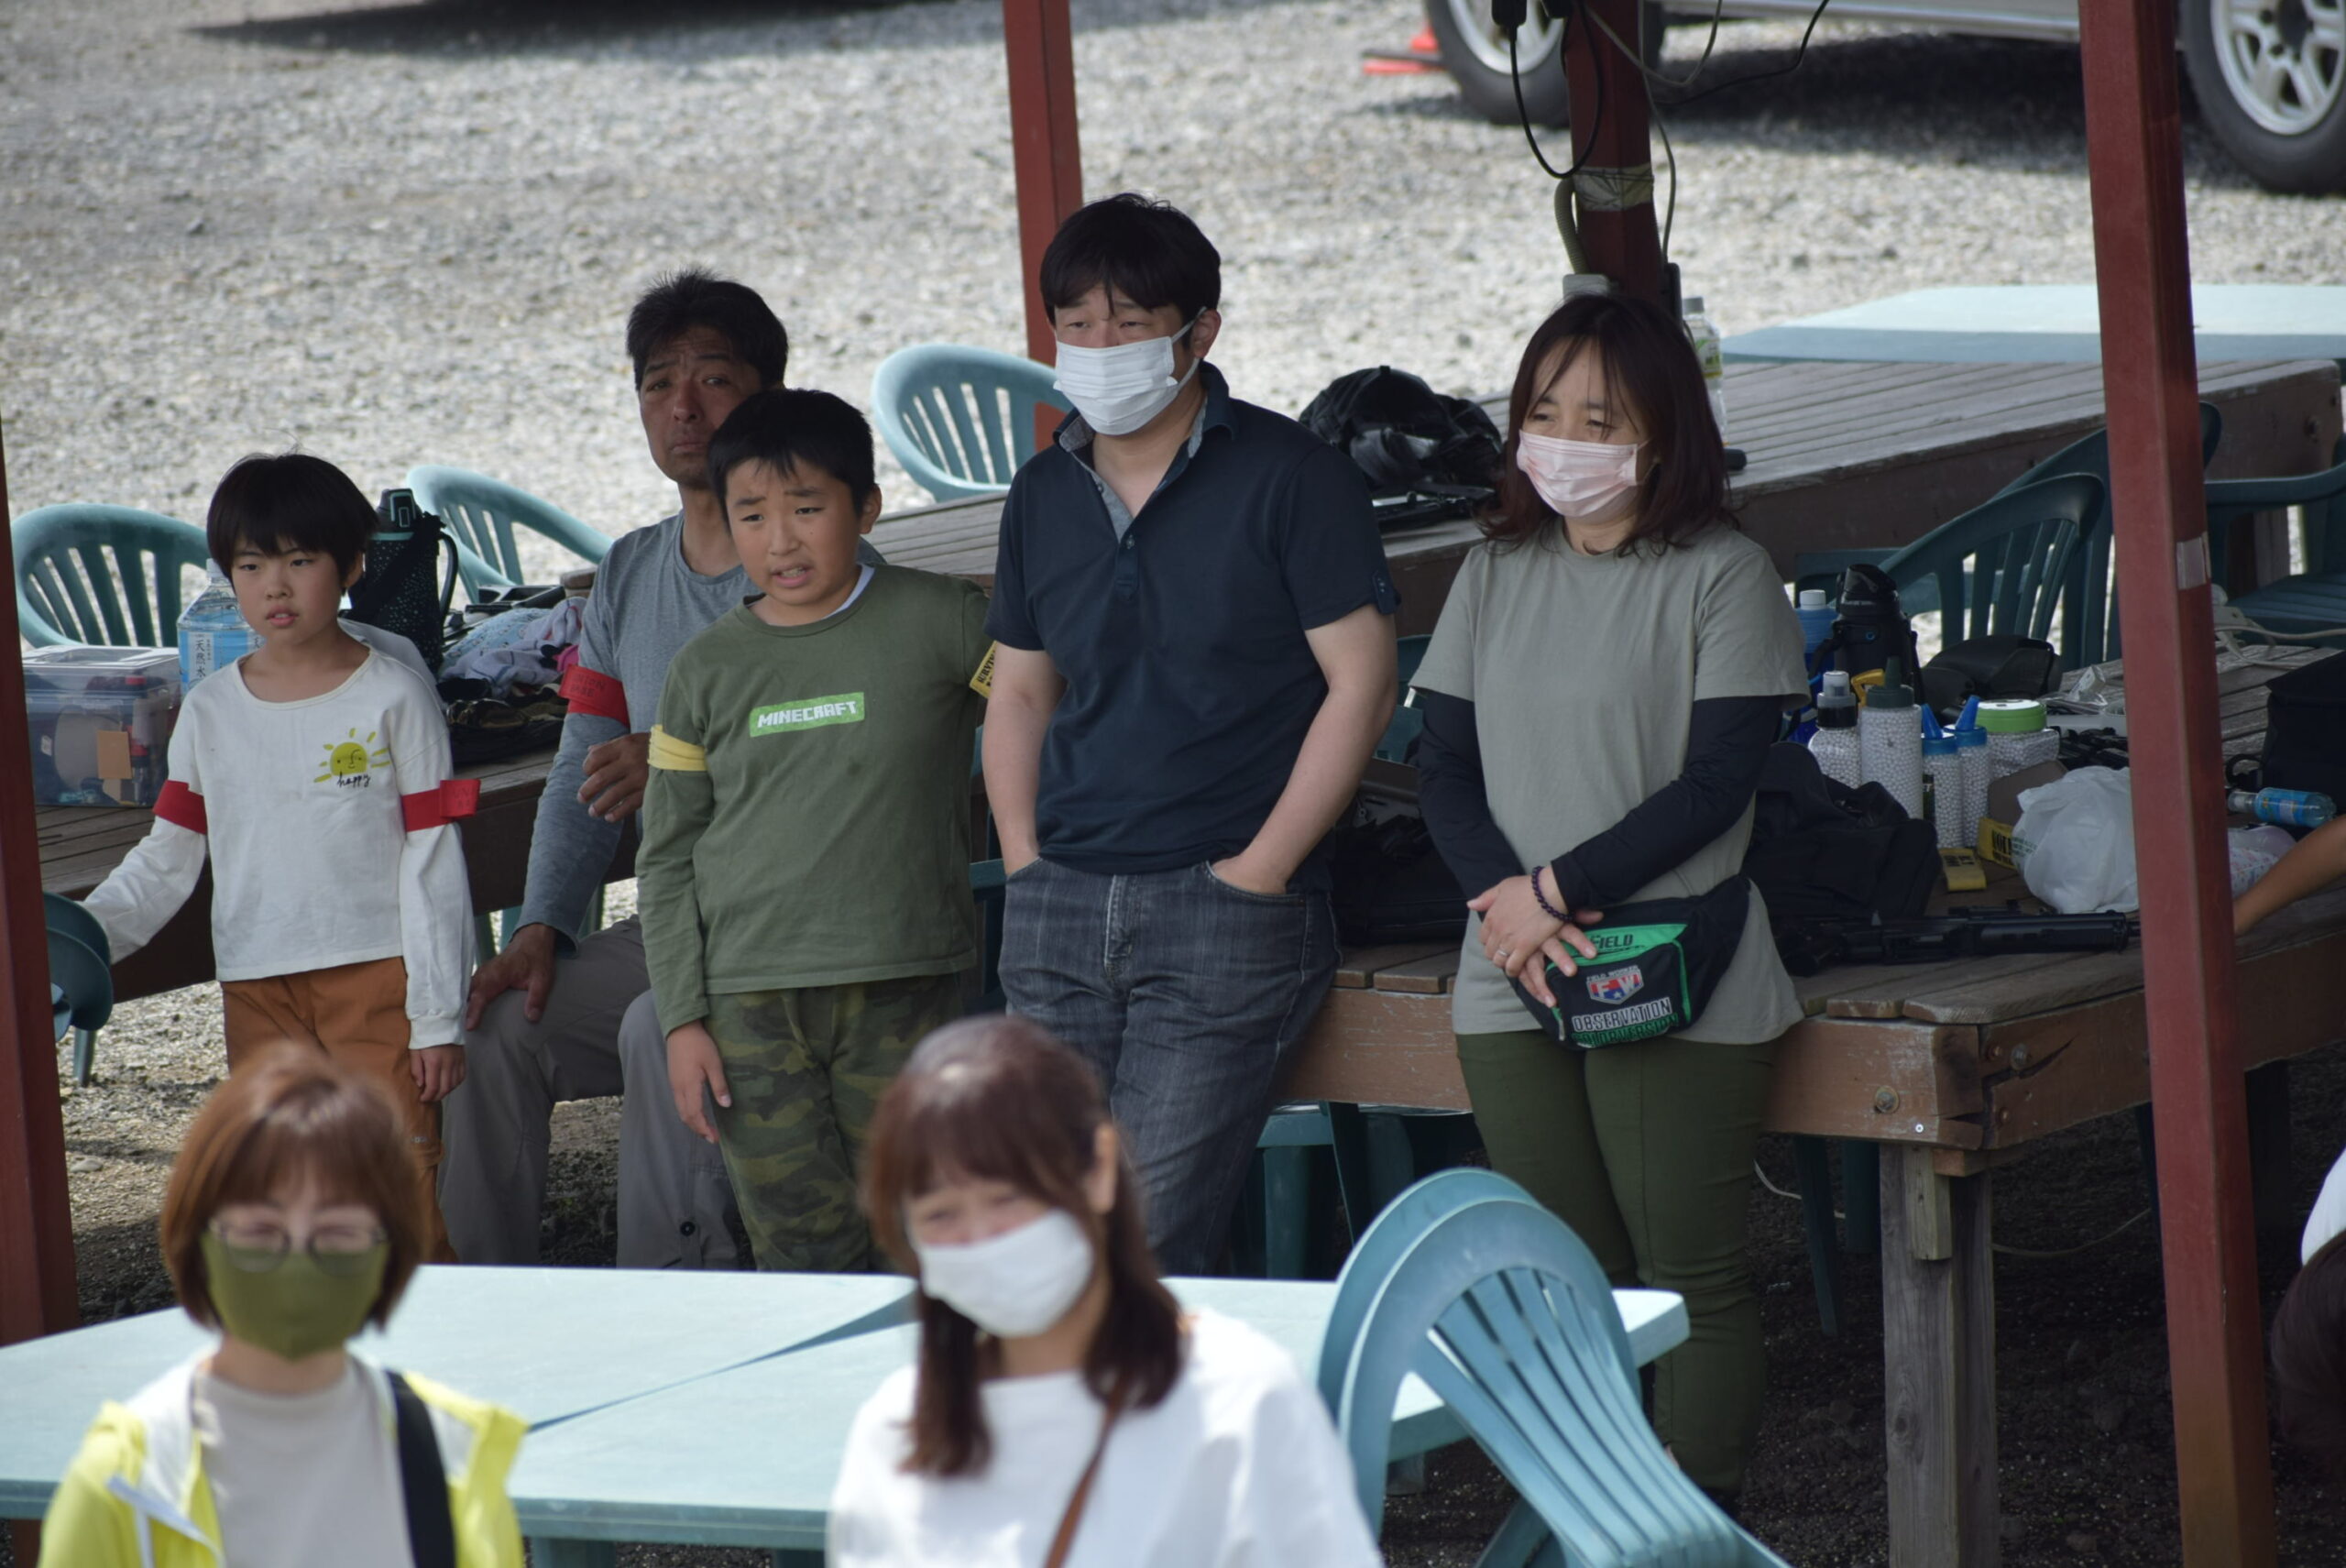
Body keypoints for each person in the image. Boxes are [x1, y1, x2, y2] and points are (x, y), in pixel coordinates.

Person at [1410, 291, 1807, 1505]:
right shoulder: (1493, 568)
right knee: (1560, 1273)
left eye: (1600, 419)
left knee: (1684, 1275)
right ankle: (1597, 1508)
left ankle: (1689, 1515)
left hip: (1670, 957)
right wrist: (1506, 903)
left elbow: (1719, 782)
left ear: (1663, 432)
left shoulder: (1724, 573)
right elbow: (1440, 764)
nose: (1565, 440)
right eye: (1544, 412)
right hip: (1509, 963)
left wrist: (1553, 891)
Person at [981, 193, 1398, 1276]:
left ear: (1199, 331)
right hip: (1060, 899)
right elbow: (1019, 694)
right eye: (1076, 324)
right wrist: (1024, 861)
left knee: (1139, 1238)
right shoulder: (1041, 492)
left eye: (1127, 323)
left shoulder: (1293, 477)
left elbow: (1362, 686)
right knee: (1043, 1234)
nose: (1097, 348)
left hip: (1225, 907)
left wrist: (1258, 873)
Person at [444, 269, 877, 1268]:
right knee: (496, 1025)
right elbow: (581, 770)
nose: (684, 407)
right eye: (657, 383)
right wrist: (542, 927)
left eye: (713, 379)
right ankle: (481, 1306)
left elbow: (852, 743)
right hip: (680, 926)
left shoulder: (822, 562)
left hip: (807, 932)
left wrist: (686, 760)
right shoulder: (631, 571)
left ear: (770, 394)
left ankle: (676, 1295)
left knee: (656, 1027)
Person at [82, 453, 473, 1260]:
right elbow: (168, 856)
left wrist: (437, 1017)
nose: (276, 586)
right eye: (252, 565)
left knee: (396, 1196)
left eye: (301, 560)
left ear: (352, 566)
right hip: (258, 990)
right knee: (291, 1201)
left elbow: (433, 859)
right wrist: (81, 942)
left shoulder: (396, 694)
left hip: (379, 984)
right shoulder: (210, 711)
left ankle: (426, 1338)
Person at [640, 388, 992, 1271]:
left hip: (906, 980)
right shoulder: (703, 670)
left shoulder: (944, 619)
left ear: (865, 508)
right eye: (752, 515)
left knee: (929, 1234)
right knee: (802, 1255)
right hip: (748, 1006)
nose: (781, 541)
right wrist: (682, 1019)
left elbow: (1048, 711)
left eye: (806, 509)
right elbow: (668, 856)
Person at [828, 1014, 1382, 1567]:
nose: (981, 1239)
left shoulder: (1237, 1402)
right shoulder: (895, 1432)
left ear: (1099, 1170)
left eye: (1008, 1199)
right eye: (941, 1215)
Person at [39, 1049, 525, 1568]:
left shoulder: (456, 1456)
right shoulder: (121, 1484)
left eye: (337, 1233)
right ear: (196, 1241)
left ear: (392, 1252)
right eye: (260, 1232)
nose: (298, 1264)